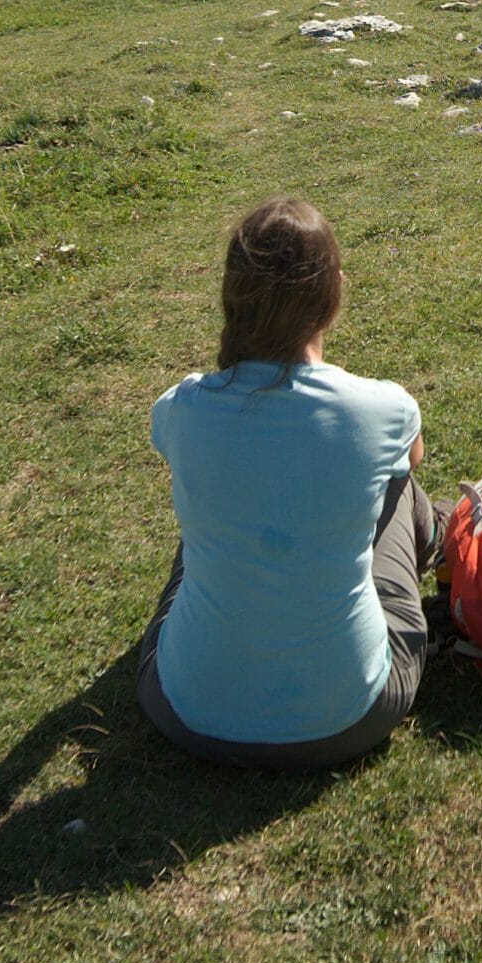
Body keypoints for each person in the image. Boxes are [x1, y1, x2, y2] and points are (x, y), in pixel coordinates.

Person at [138, 197, 437, 769]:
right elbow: (411, 457)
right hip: (352, 713)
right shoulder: (383, 409)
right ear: (335, 293)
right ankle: (447, 540)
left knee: (203, 532)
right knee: (398, 486)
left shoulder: (180, 408)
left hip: (184, 711)